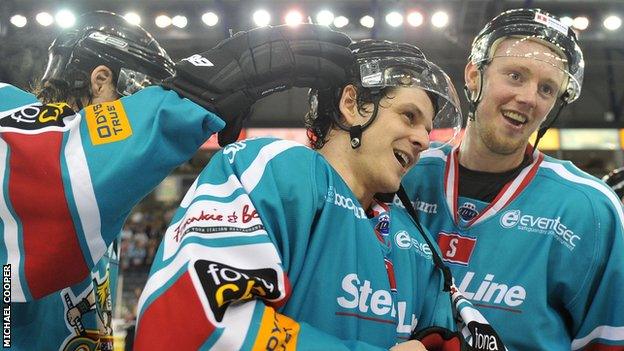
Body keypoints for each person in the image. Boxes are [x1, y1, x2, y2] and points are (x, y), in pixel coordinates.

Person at [1, 11, 352, 350]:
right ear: (101, 79)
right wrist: (193, 92)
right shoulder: (7, 107)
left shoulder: (101, 202)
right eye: (141, 95)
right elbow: (56, 174)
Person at [133, 38, 474, 350]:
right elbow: (195, 320)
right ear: (352, 104)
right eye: (408, 116)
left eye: (427, 129)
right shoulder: (269, 169)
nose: (423, 140)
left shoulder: (417, 242)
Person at [402, 8, 624, 350]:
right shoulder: (406, 173)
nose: (529, 98)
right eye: (516, 76)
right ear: (474, 76)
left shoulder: (588, 210)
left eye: (547, 88)